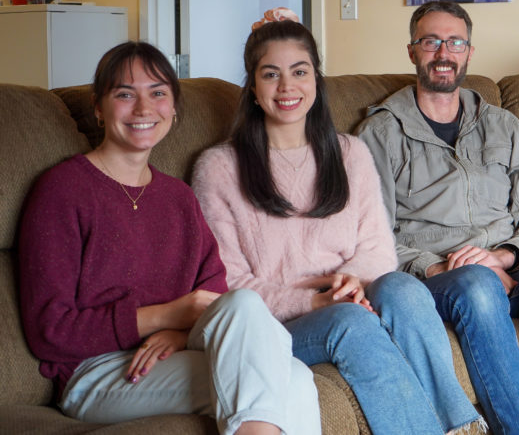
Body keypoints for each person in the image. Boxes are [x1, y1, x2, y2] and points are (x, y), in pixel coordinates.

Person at [192, 17, 482, 435]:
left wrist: (342, 283)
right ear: (253, 88)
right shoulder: (219, 168)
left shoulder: (351, 153)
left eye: (300, 71)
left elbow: (380, 251)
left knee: (403, 287)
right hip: (279, 325)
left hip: (350, 296)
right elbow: (230, 283)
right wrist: (316, 301)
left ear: (316, 81)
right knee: (352, 323)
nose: (287, 86)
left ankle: (463, 428)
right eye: (270, 74)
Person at [17, 41, 318, 435]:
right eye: (125, 94)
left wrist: (178, 333)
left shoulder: (178, 197)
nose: (143, 109)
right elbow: (48, 331)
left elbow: (213, 289)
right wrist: (166, 316)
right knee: (281, 378)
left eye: (157, 93)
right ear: (98, 107)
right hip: (95, 373)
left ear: (173, 108)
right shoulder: (63, 190)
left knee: (292, 372)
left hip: (176, 354)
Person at [356, 0, 519, 435]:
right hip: (440, 277)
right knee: (477, 283)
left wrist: (501, 258)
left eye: (455, 42)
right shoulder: (381, 132)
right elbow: (372, 232)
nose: (443, 52)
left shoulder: (503, 126)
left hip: (508, 267)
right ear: (412, 51)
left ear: (469, 52)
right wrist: (440, 265)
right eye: (431, 41)